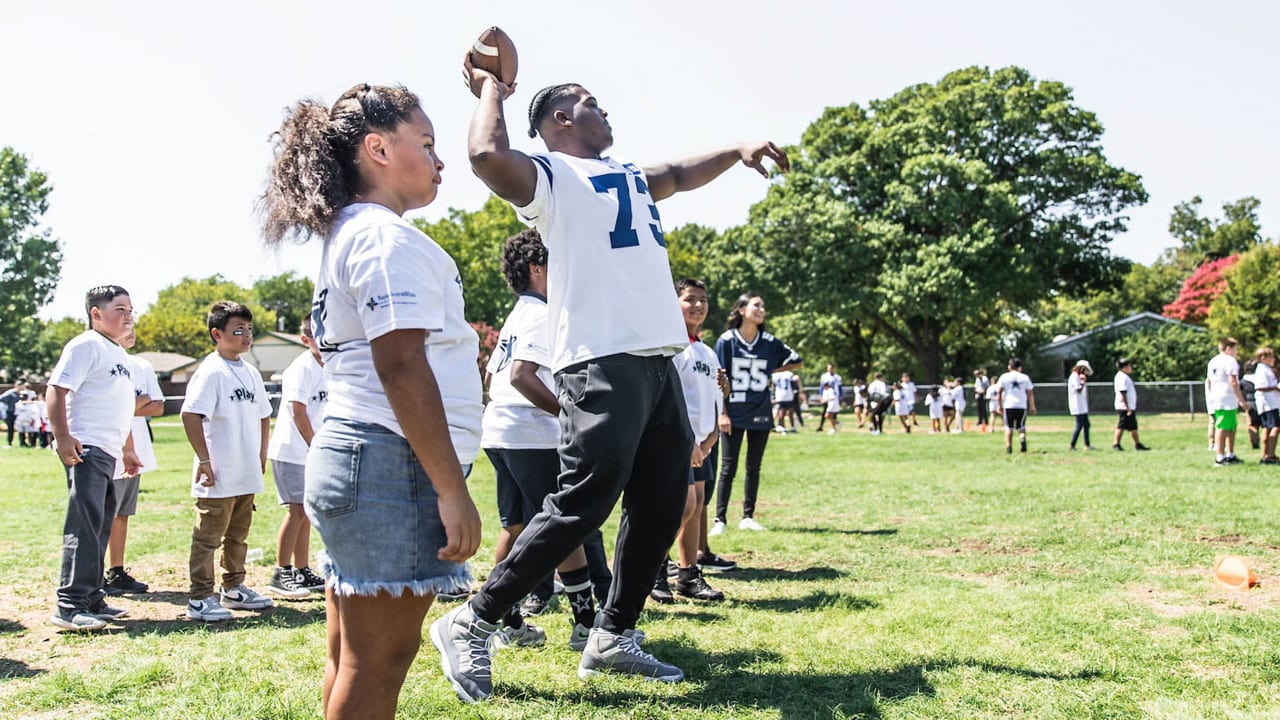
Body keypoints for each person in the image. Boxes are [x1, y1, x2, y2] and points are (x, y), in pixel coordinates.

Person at [431, 62, 789, 701]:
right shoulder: (550, 176)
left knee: (661, 500)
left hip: (655, 360)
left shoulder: (624, 173)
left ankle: (613, 636)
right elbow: (486, 154)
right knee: (585, 502)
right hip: (601, 358)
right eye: (592, 103)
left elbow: (678, 174)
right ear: (562, 121)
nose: (607, 111)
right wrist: (494, 88)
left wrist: (737, 150)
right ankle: (474, 619)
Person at [261, 83, 483, 719]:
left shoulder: (351, 237)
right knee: (377, 664)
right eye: (428, 144)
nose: (441, 162)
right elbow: (401, 365)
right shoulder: (386, 240)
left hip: (362, 457)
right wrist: (451, 488)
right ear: (378, 148)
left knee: (351, 657)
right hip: (391, 463)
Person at [480, 229, 612, 647]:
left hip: (500, 430)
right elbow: (521, 375)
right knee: (561, 525)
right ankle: (584, 623)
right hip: (528, 433)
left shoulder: (516, 314)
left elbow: (491, 375)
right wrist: (566, 411)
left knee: (516, 527)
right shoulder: (541, 313)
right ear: (538, 268)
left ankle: (508, 623)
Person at [47, 285, 141, 631]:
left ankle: (92, 597)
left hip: (110, 451)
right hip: (86, 447)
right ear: (96, 314)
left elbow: (123, 407)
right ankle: (69, 605)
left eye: (130, 309)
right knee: (84, 526)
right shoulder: (86, 344)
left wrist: (128, 449)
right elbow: (56, 389)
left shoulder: (118, 352)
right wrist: (62, 436)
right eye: (120, 308)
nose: (128, 315)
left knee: (101, 525)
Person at [181, 301, 275, 623]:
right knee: (209, 536)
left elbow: (264, 415)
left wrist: (261, 454)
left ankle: (233, 587)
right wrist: (204, 460)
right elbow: (190, 414)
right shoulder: (211, 371)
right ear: (217, 334)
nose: (246, 336)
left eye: (249, 330)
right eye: (238, 330)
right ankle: (200, 596)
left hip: (246, 469)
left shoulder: (250, 372)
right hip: (219, 471)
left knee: (238, 534)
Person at [655, 278, 727, 602]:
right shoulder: (671, 346)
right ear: (675, 303)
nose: (697, 306)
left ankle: (688, 574)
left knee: (697, 507)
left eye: (703, 300)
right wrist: (689, 442)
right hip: (678, 441)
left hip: (703, 443)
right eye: (690, 300)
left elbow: (709, 396)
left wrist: (712, 435)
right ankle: (655, 569)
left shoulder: (706, 350)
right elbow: (671, 398)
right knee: (681, 507)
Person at [713, 293, 803, 532]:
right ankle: (720, 519)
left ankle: (748, 516)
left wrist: (772, 369)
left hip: (761, 409)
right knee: (728, 467)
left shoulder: (769, 341)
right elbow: (718, 378)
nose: (761, 310)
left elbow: (797, 359)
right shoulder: (726, 340)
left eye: (763, 306)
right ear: (741, 310)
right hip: (733, 410)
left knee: (754, 466)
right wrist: (723, 413)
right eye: (756, 305)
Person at [264, 315, 329, 599]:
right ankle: (282, 571)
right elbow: (297, 410)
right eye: (318, 336)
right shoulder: (302, 367)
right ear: (306, 340)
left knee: (307, 513)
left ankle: (301, 569)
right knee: (296, 511)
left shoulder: (329, 365)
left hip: (312, 452)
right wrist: (314, 445)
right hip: (293, 451)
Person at [104, 330, 164, 596]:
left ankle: (116, 570)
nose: (131, 330)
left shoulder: (141, 365)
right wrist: (134, 403)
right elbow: (105, 407)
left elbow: (158, 406)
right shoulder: (104, 360)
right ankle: (93, 574)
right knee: (102, 514)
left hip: (135, 451)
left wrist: (123, 406)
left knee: (122, 515)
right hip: (109, 448)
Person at [1207, 338, 1248, 466]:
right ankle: (1220, 457)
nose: (1237, 352)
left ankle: (1230, 454)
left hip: (1217, 395)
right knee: (1222, 426)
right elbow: (1233, 381)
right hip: (1227, 397)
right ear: (1228, 348)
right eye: (1235, 349)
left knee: (1231, 426)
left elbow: (1209, 381)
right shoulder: (1230, 361)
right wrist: (1242, 400)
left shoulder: (1213, 360)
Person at [995, 358, 1036, 453]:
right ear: (1019, 367)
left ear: (1009, 366)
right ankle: (1022, 437)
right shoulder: (1025, 377)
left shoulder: (1004, 377)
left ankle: (1009, 446)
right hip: (1021, 405)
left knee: (1008, 426)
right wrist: (1032, 406)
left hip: (1008, 405)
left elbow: (999, 392)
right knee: (1021, 426)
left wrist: (999, 405)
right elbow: (1030, 393)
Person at [1112, 358, 1149, 451]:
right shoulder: (1122, 377)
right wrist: (1127, 407)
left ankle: (1137, 444)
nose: (1130, 368)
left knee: (1133, 426)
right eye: (1129, 366)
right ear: (1124, 367)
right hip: (1124, 407)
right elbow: (1123, 392)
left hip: (1129, 407)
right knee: (1121, 425)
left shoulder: (1125, 376)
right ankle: (1116, 444)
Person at [1253, 347, 1279, 464]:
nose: (1273, 359)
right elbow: (1259, 386)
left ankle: (1265, 454)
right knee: (1275, 427)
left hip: (1271, 402)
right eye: (1271, 356)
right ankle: (1270, 455)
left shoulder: (1268, 369)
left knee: (1267, 428)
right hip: (1268, 403)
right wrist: (1275, 388)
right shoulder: (1261, 370)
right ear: (1263, 358)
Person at [1067, 360, 1094, 451]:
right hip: (1077, 405)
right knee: (1079, 425)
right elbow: (1078, 389)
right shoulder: (1074, 377)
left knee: (1086, 424)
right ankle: (1072, 445)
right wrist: (1082, 382)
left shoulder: (1077, 376)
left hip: (1082, 405)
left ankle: (1087, 445)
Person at [1241, 359, 1261, 452]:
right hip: (1261, 402)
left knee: (1252, 425)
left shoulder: (1243, 381)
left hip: (1250, 403)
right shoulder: (1261, 379)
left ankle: (1255, 442)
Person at [816, 364, 842, 432]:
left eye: (832, 368)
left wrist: (840, 396)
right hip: (827, 396)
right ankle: (821, 426)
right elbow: (821, 387)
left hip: (834, 397)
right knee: (825, 413)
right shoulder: (824, 376)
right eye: (829, 368)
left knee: (832, 413)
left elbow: (840, 388)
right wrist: (821, 396)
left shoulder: (838, 377)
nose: (830, 369)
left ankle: (835, 426)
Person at [1, 381, 23, 447]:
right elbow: (1, 398)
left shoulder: (23, 393)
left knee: (21, 427)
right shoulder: (11, 392)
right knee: (10, 428)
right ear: (16, 385)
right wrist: (8, 403)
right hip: (11, 412)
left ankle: (22, 442)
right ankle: (9, 442)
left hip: (19, 413)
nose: (20, 387)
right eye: (19, 385)